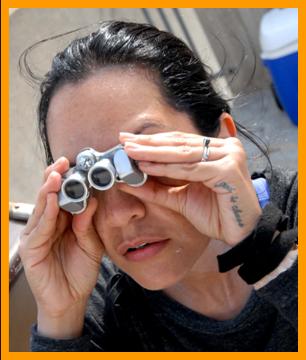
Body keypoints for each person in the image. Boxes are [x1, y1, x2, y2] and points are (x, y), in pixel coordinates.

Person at [18, 20, 298, 352]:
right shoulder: (102, 311)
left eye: (142, 162)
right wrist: (60, 317)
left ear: (221, 138)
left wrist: (266, 247)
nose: (121, 213)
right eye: (85, 183)